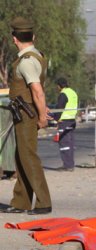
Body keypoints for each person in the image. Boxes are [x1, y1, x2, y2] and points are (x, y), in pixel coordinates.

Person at [0, 17, 52, 215]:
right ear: (33, 36)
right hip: (25, 111)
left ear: (14, 39)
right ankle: (21, 201)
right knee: (21, 155)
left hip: (26, 112)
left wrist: (42, 116)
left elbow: (37, 91)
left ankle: (43, 202)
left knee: (28, 156)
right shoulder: (36, 55)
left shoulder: (27, 62)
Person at [52, 78, 78, 171]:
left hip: (64, 121)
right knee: (70, 143)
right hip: (72, 120)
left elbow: (60, 108)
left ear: (59, 85)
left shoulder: (63, 94)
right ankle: (70, 164)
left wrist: (55, 119)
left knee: (64, 143)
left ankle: (68, 166)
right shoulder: (73, 92)